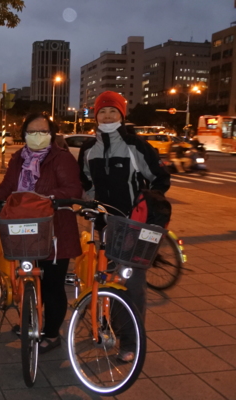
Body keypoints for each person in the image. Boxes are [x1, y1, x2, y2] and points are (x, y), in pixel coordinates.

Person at [78, 91, 170, 362]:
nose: (107, 116)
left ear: (121, 115)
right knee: (106, 278)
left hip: (133, 226)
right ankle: (109, 325)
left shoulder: (135, 145)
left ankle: (130, 342)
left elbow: (160, 178)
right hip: (105, 225)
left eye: (113, 111)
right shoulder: (88, 148)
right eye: (102, 111)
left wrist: (145, 205)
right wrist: (90, 201)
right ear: (96, 115)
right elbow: (85, 180)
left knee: (131, 284)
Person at [0, 112, 82, 354]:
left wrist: (45, 198)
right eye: (32, 131)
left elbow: (73, 189)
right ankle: (29, 319)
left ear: (51, 134)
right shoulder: (18, 157)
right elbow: (8, 185)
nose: (37, 136)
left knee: (52, 285)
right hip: (24, 228)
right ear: (24, 134)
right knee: (27, 277)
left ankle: (52, 334)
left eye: (43, 131)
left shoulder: (62, 158)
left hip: (55, 230)